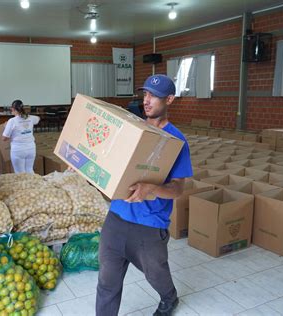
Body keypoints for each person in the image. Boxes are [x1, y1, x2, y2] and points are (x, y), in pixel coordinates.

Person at [96, 74, 193, 316]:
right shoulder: (132, 131)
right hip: (116, 218)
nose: (147, 100)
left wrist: (151, 189)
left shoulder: (176, 141)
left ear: (169, 99)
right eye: (145, 94)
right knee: (107, 283)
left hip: (149, 225)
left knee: (156, 274)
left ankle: (169, 297)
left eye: (154, 96)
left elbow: (179, 189)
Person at [2, 100, 40, 174]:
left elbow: (4, 138)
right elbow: (38, 118)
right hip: (31, 148)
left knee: (20, 173)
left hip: (18, 150)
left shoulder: (12, 121)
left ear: (13, 109)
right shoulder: (30, 118)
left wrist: (5, 126)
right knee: (29, 170)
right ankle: (32, 184)